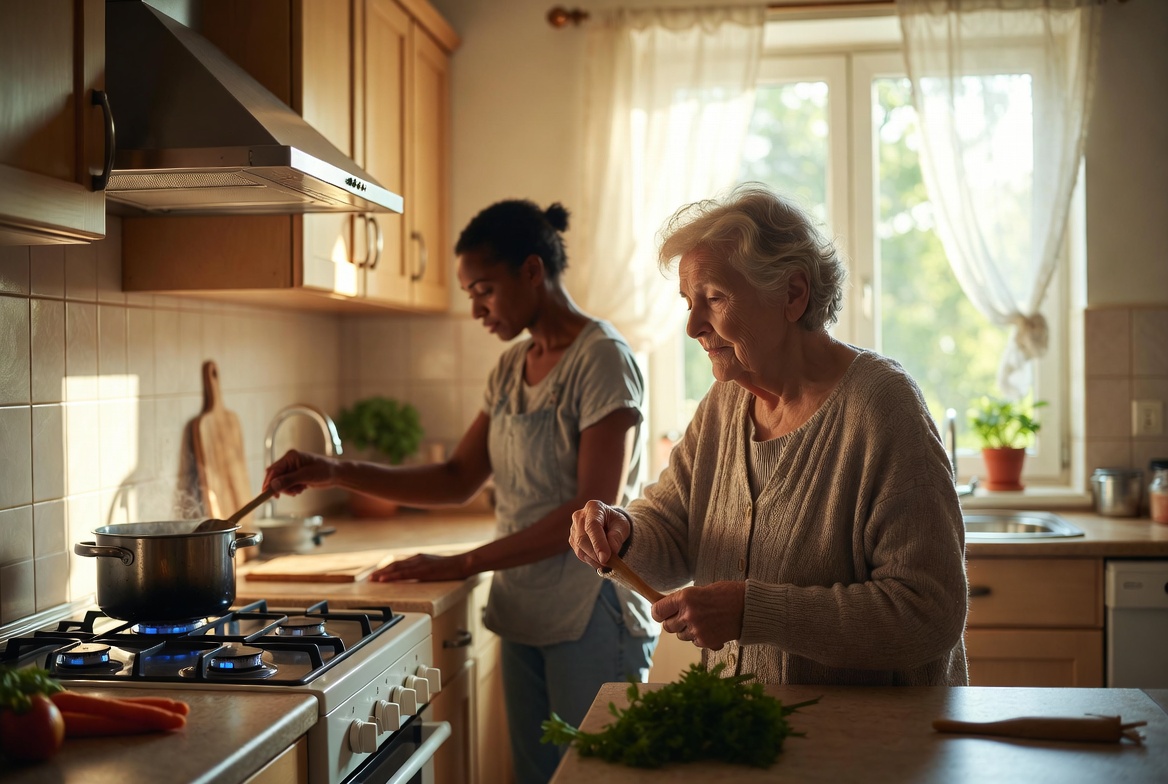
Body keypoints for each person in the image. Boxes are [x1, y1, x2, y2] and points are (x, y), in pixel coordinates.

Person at [262, 199, 657, 784]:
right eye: (470, 293)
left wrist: (462, 561)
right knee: (536, 776)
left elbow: (588, 515)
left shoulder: (602, 360)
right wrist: (334, 469)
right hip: (524, 608)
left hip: (591, 614)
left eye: (484, 289)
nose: (476, 308)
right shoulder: (510, 368)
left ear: (531, 271)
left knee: (597, 778)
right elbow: (455, 478)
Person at [568, 183, 968, 687]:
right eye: (688, 301)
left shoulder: (881, 408)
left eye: (713, 298)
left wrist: (753, 611)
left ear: (792, 294)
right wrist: (623, 531)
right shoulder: (726, 401)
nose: (693, 326)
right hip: (755, 738)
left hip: (871, 749)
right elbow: (672, 529)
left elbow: (928, 614)